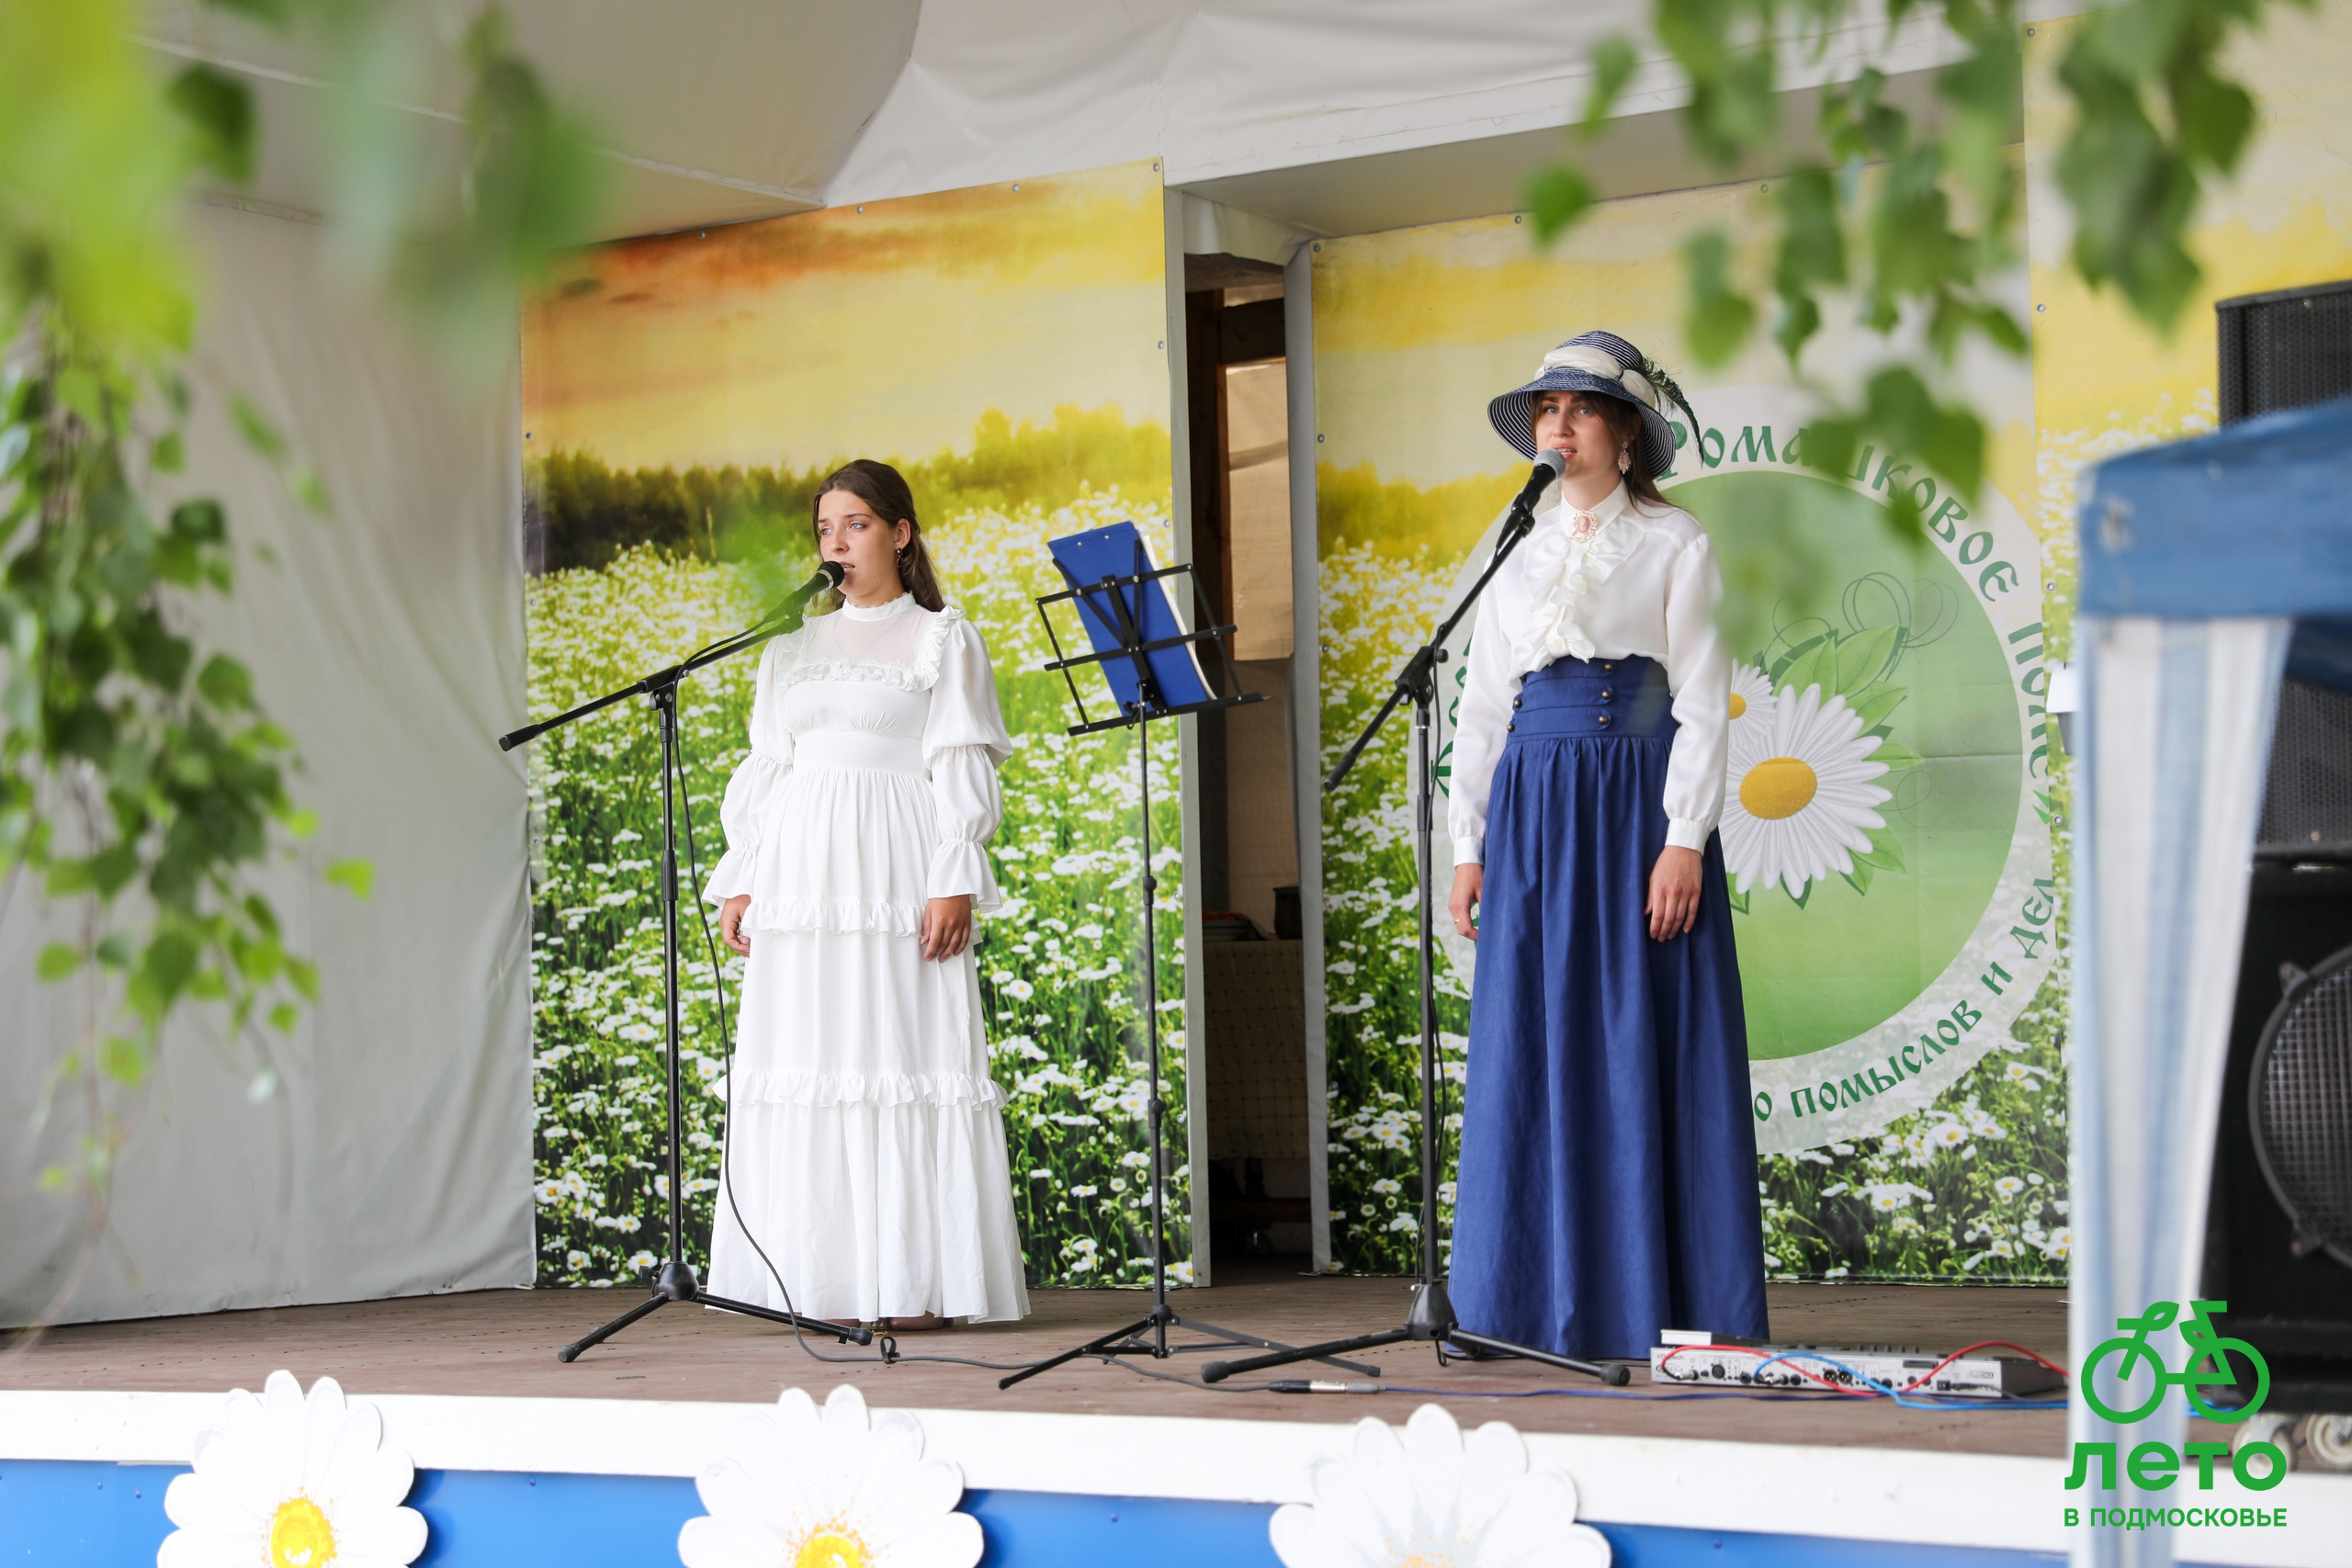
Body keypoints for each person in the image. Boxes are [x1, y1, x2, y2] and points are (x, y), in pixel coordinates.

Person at [1443, 330, 1767, 1362]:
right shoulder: (1515, 554)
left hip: (1632, 797)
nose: (1558, 424)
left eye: (1580, 408)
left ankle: (1655, 1303)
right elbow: (1481, 710)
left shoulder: (1678, 544)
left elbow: (1705, 701)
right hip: (1534, 809)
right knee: (1532, 1038)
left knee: (1638, 1033)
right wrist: (1467, 845)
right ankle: (1520, 1304)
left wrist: (1683, 841)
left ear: (1626, 432)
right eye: (1546, 410)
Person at [705, 459, 1029, 1330]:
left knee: (897, 1060)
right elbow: (769, 769)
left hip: (895, 871)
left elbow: (958, 761)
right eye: (825, 529)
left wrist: (952, 873)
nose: (837, 543)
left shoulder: (940, 637)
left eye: (854, 524)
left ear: (900, 532)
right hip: (804, 884)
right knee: (811, 1060)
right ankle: (819, 1283)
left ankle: (911, 1287)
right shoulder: (789, 650)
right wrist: (743, 879)